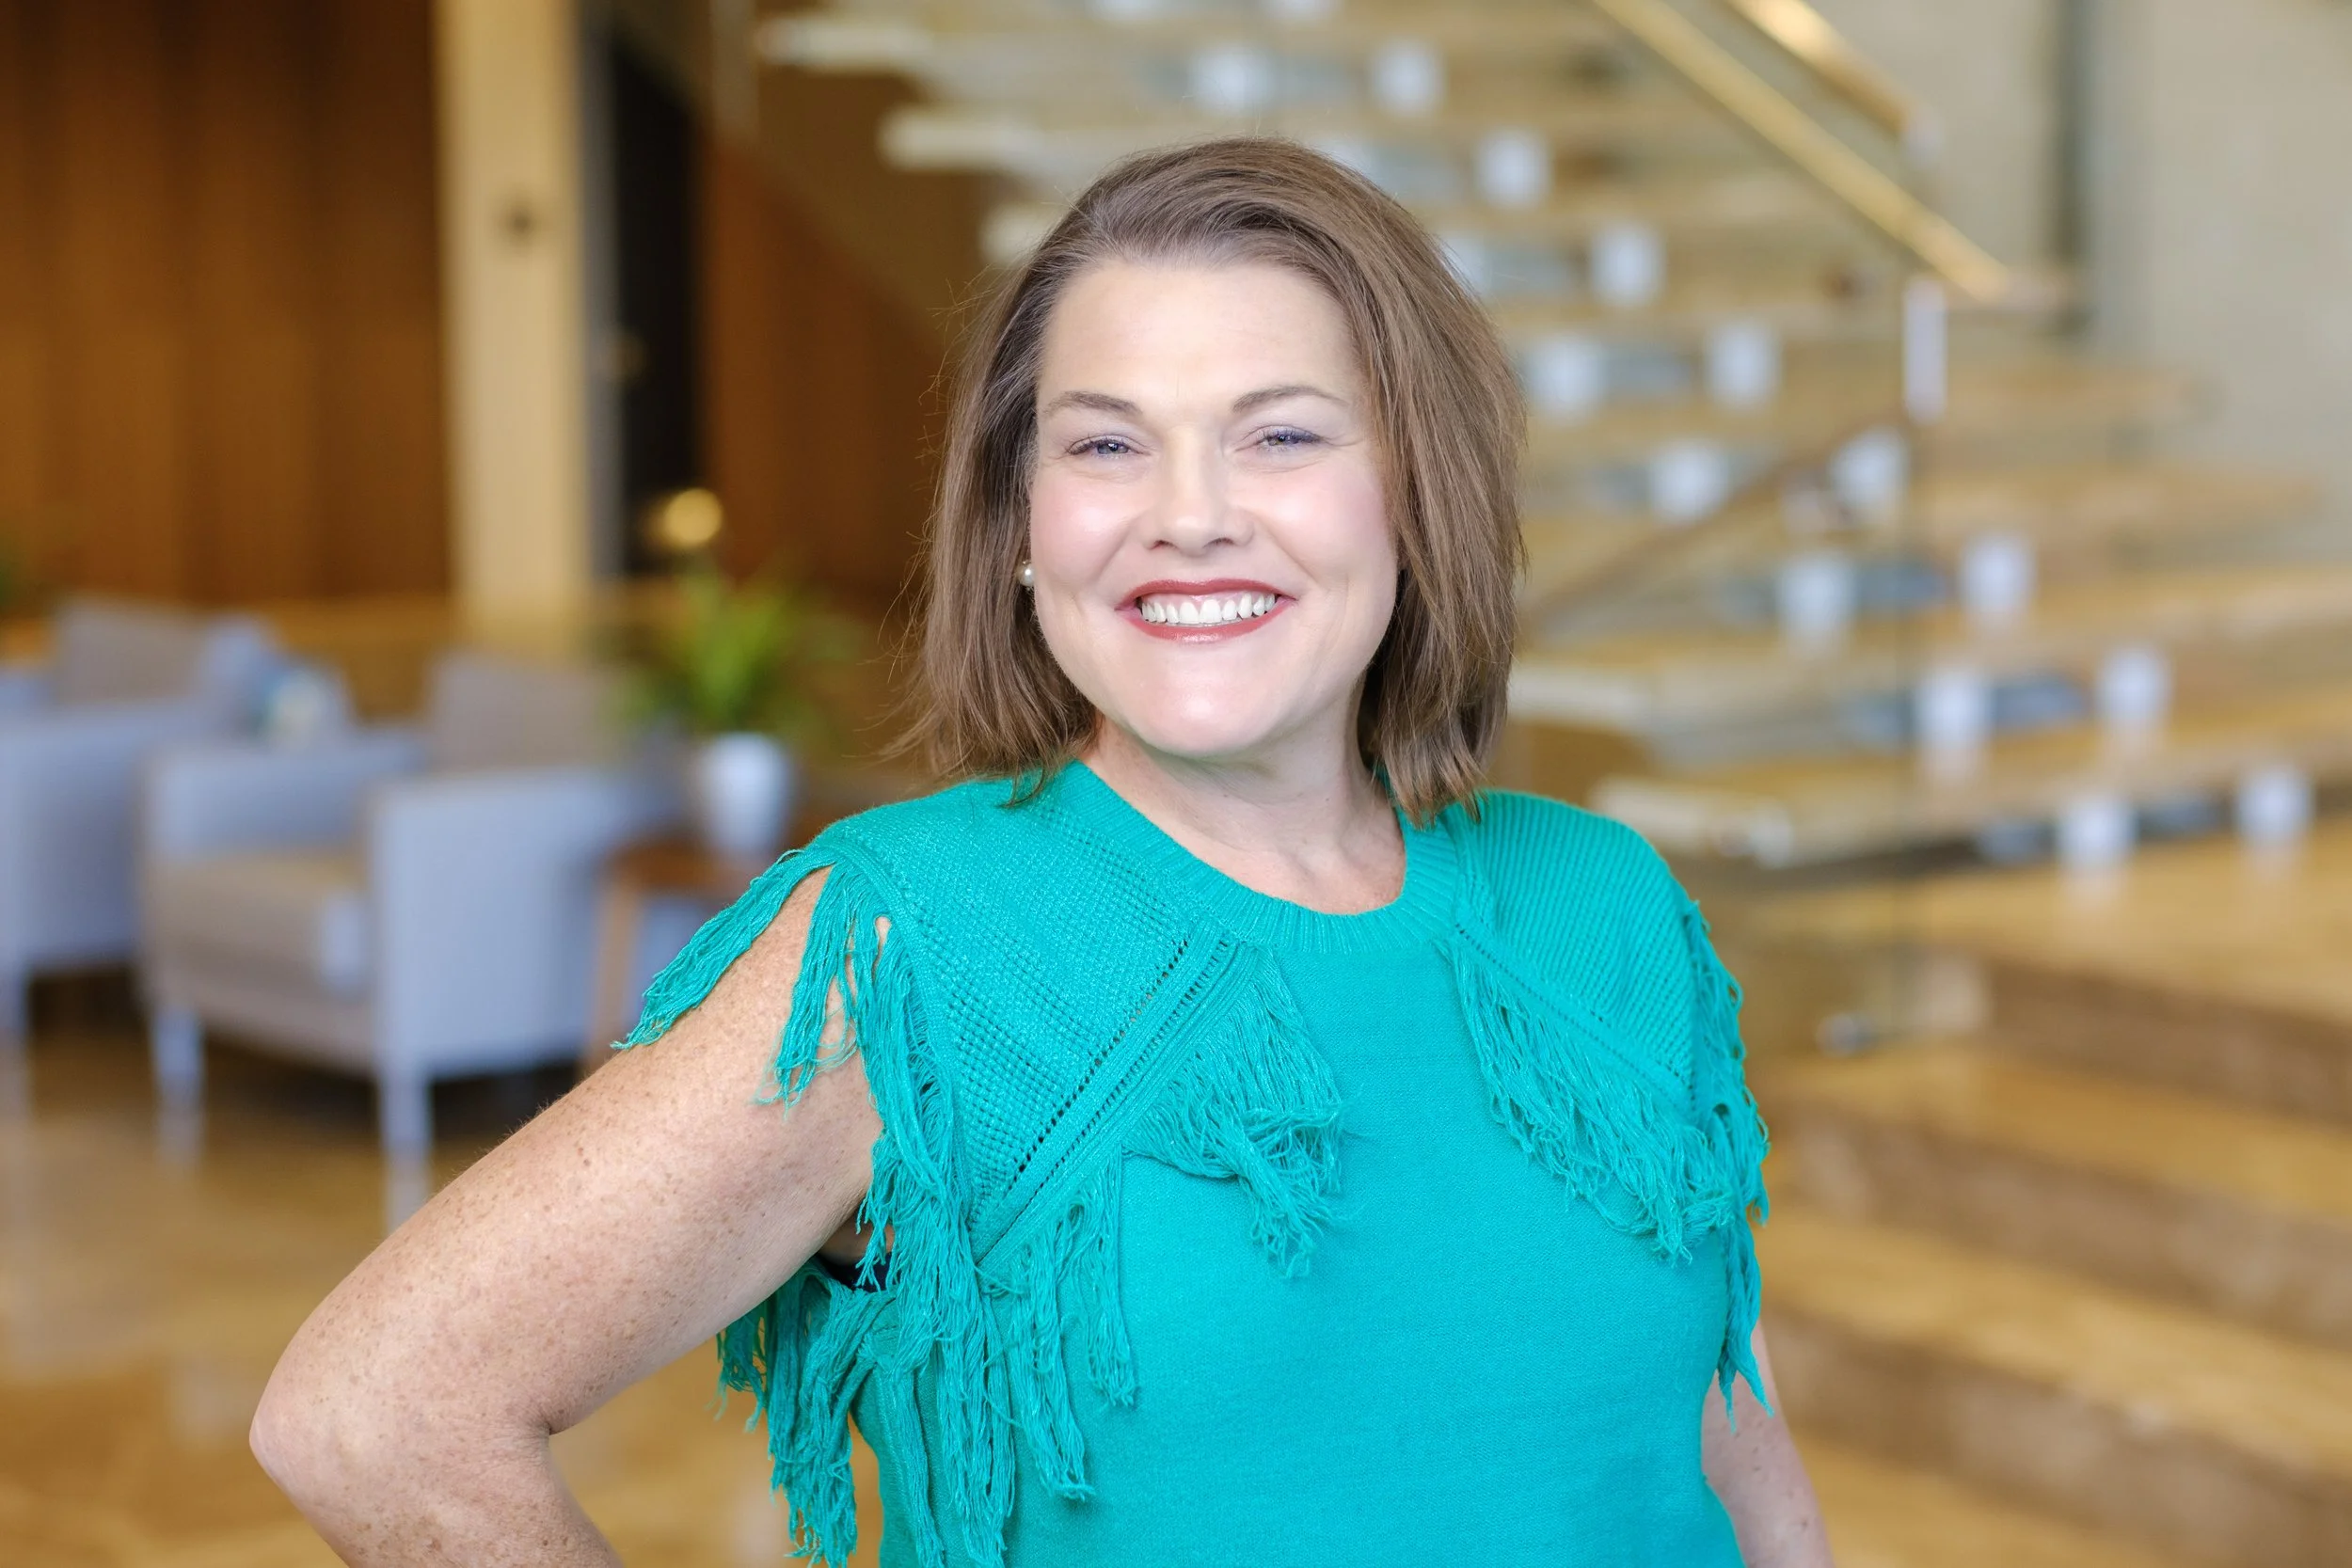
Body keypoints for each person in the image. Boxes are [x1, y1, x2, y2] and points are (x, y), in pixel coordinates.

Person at [251, 137, 1832, 1568]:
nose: (1191, 515)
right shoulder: (911, 949)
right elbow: (376, 1410)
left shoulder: (1606, 902)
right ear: (1018, 527)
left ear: (1416, 497)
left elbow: (1714, 1424)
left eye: (1280, 435)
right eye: (1105, 447)